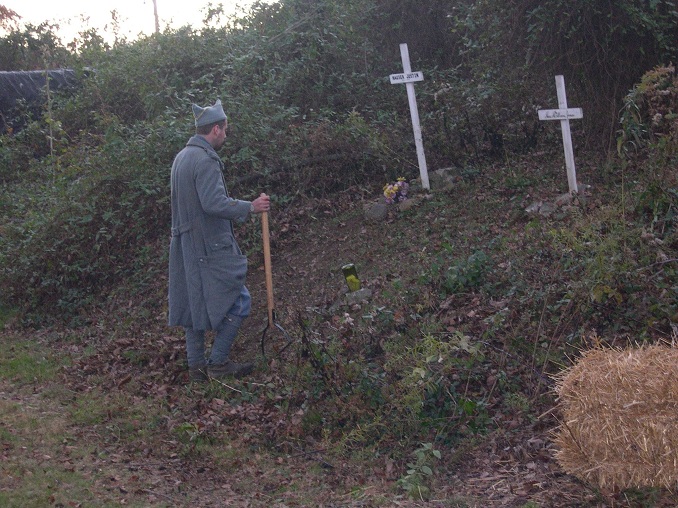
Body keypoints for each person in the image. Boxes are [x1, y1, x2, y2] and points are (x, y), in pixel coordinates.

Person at [168, 99, 270, 382]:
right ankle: (218, 363)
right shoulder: (205, 159)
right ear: (215, 129)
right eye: (225, 129)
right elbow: (213, 203)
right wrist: (249, 206)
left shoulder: (182, 157)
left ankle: (197, 370)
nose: (226, 134)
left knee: (192, 306)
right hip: (208, 247)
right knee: (240, 300)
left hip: (186, 247)